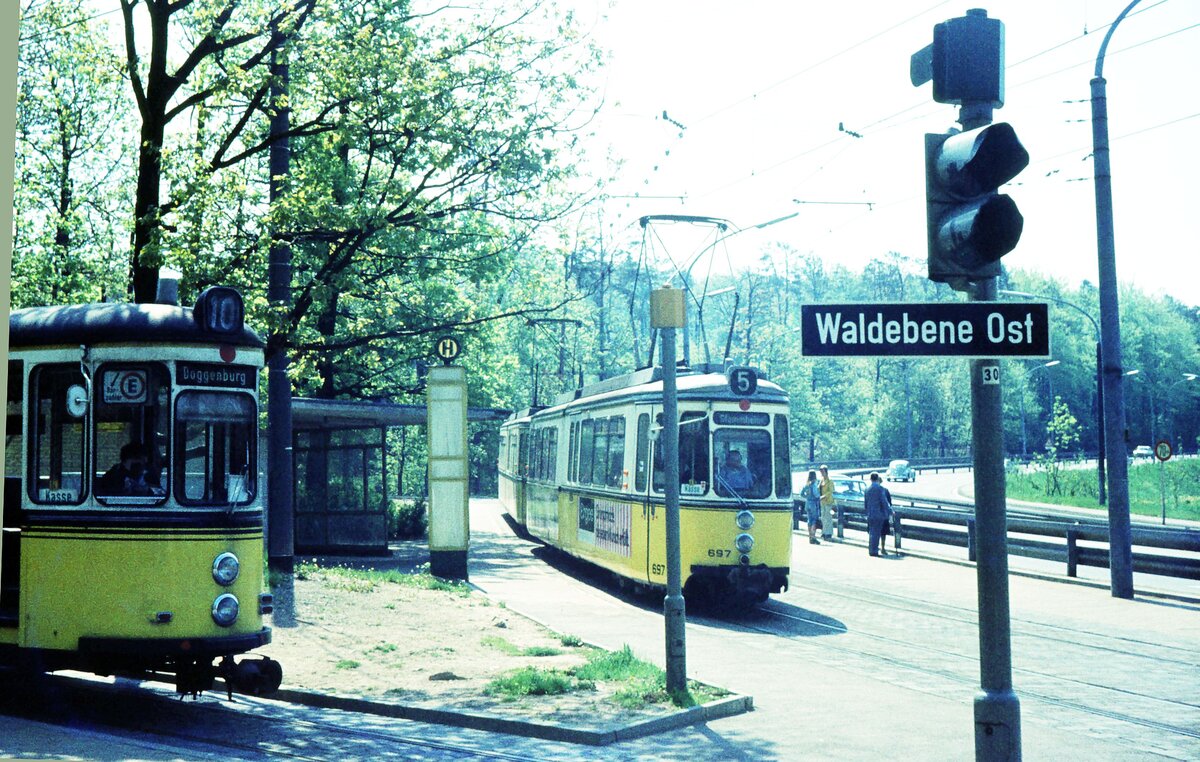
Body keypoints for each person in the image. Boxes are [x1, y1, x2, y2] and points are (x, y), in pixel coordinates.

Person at [864, 472, 892, 557]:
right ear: (877, 479)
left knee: (872, 533)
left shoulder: (867, 489)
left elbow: (866, 503)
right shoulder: (880, 489)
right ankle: (874, 551)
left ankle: (871, 550)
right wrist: (890, 511)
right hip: (879, 514)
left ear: (871, 479)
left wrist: (867, 512)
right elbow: (884, 502)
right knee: (876, 533)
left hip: (870, 514)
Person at [799, 470, 822, 545]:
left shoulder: (807, 484)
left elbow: (801, 494)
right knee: (814, 520)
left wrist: (807, 497)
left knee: (809, 520)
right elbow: (816, 494)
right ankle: (813, 537)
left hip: (807, 503)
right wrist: (819, 496)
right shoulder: (814, 484)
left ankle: (810, 537)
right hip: (813, 504)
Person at [818, 465, 834, 540]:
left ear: (826, 471)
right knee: (823, 517)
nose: (821, 472)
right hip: (822, 502)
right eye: (820, 471)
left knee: (828, 518)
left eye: (822, 471)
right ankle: (824, 532)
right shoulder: (821, 480)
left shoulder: (830, 480)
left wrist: (824, 496)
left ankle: (829, 533)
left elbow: (831, 491)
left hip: (828, 501)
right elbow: (819, 489)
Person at [879, 481, 894, 556]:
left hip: (874, 514)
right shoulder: (885, 490)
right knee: (883, 533)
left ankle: (875, 547)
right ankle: (882, 548)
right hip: (884, 515)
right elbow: (889, 503)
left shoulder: (869, 489)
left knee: (874, 532)